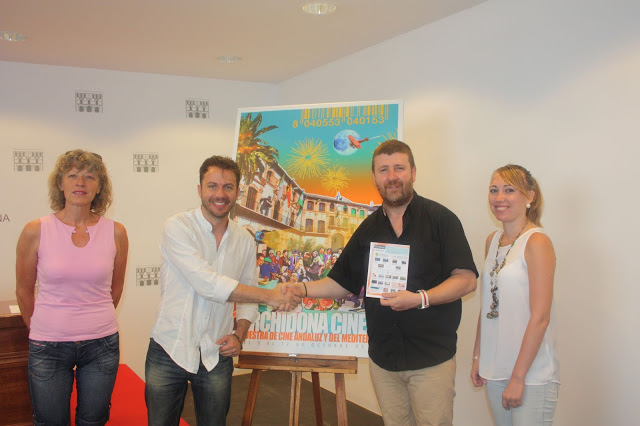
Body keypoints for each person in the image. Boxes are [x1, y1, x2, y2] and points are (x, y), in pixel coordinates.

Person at [289, 140, 477, 425]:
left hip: (431, 359)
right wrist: (300, 289)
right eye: (384, 170)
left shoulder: (441, 219)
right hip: (384, 360)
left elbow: (466, 280)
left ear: (413, 172)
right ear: (375, 177)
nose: (392, 177)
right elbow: (341, 282)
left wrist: (420, 299)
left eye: (399, 168)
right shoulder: (368, 228)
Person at [144, 155, 301, 426]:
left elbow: (249, 294)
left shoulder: (244, 240)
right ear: (199, 189)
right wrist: (271, 296)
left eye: (228, 187)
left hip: (217, 353)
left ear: (237, 192)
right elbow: (206, 283)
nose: (220, 194)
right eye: (212, 186)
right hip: (169, 350)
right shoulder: (177, 226)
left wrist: (240, 334)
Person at [15, 149, 129, 425]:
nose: (81, 182)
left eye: (90, 176)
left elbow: (115, 291)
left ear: (99, 187)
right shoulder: (35, 230)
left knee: (94, 420)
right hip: (48, 345)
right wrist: (43, 328)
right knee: (51, 421)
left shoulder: (117, 232)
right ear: (60, 183)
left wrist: (91, 319)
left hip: (102, 344)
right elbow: (23, 290)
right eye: (73, 175)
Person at [471, 165, 558, 425]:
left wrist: (518, 377)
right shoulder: (492, 241)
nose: (500, 198)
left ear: (530, 196)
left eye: (509, 190)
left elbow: (540, 317)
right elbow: (488, 305)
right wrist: (478, 357)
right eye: (494, 190)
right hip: (495, 368)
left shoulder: (537, 242)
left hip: (531, 374)